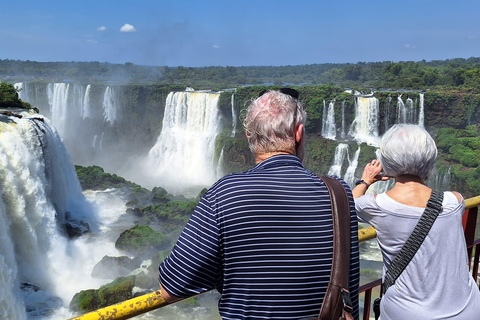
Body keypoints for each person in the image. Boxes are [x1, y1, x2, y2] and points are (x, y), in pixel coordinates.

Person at [159, 88, 360, 320]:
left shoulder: (225, 194)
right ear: (298, 133)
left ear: (249, 136)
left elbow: (171, 288)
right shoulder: (339, 193)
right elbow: (349, 292)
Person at [353, 124, 480, 319]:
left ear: (386, 161)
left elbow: (348, 204)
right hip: (468, 309)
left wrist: (366, 180)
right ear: (430, 159)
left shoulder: (377, 206)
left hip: (408, 313)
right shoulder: (455, 201)